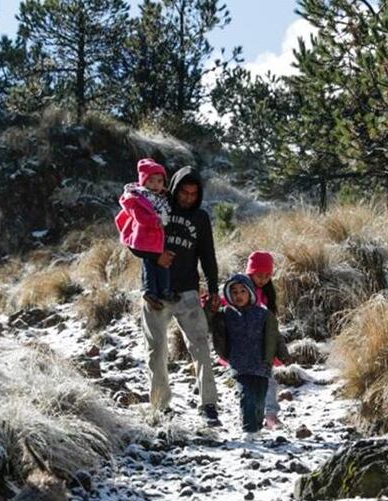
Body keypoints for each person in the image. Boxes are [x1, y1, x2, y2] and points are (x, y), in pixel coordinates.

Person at [142, 166, 221, 426]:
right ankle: (160, 407)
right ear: (175, 189)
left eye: (193, 194)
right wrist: (155, 259)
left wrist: (213, 288)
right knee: (157, 351)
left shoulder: (200, 218)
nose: (187, 197)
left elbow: (208, 255)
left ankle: (209, 405)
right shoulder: (155, 206)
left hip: (187, 291)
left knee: (200, 347)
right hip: (155, 292)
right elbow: (134, 240)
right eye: (184, 192)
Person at [210, 274, 279, 436]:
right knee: (246, 395)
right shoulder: (226, 313)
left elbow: (274, 335)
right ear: (228, 295)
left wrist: (283, 354)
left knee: (260, 398)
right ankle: (249, 428)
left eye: (242, 291)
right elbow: (211, 323)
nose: (238, 295)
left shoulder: (262, 314)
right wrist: (210, 310)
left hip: (261, 364)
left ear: (251, 293)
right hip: (239, 364)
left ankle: (257, 425)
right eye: (234, 292)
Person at [115, 158, 175, 309]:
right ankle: (150, 290)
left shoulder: (161, 198)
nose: (156, 185)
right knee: (150, 263)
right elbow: (139, 217)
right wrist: (155, 221)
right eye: (151, 181)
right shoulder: (137, 197)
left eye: (160, 181)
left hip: (156, 239)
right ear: (143, 182)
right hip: (143, 238)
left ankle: (164, 289)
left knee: (162, 263)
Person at [243, 251, 290, 429]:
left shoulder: (268, 295)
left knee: (269, 380)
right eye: (258, 275)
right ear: (250, 273)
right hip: (245, 348)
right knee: (248, 385)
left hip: (263, 348)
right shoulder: (240, 290)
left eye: (267, 276)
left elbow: (272, 326)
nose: (262, 280)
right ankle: (252, 417)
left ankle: (271, 415)